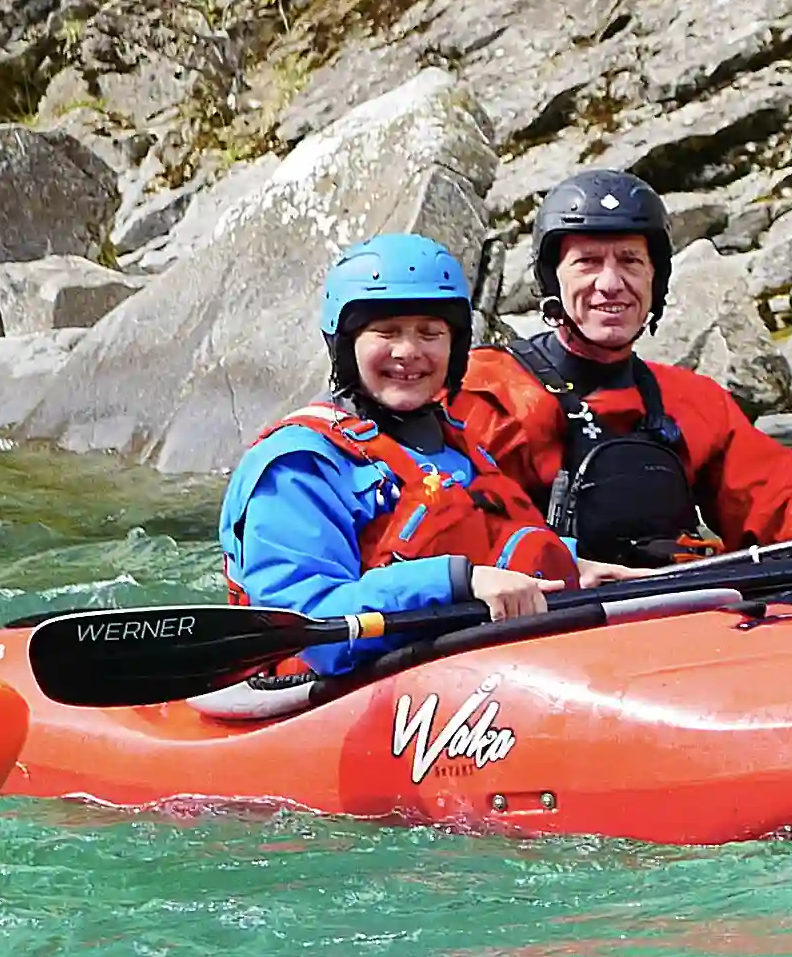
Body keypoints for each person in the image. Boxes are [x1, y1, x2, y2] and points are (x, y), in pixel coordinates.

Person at [454, 171, 792, 566]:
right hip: (549, 615)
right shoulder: (485, 390)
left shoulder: (691, 400)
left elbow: (773, 499)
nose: (610, 284)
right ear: (553, 281)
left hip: (679, 608)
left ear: (654, 280)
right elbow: (451, 520)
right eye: (587, 262)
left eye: (630, 261)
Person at [221, 236, 581, 670]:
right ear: (346, 346)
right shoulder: (298, 467)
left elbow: (491, 546)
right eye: (386, 332)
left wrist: (575, 570)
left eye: (430, 333)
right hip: (330, 700)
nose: (409, 351)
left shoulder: (458, 446)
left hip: (469, 672)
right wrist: (457, 583)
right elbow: (311, 631)